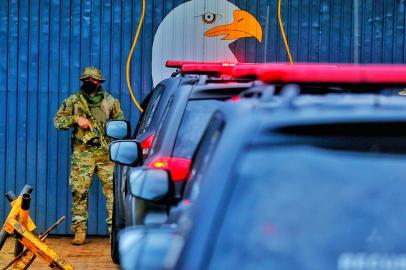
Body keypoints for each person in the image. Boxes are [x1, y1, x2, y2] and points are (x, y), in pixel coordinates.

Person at [54, 66, 123, 245]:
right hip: (82, 154)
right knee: (79, 192)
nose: (88, 83)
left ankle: (113, 233)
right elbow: (58, 122)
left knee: (112, 194)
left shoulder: (111, 102)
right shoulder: (73, 101)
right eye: (85, 80)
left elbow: (120, 126)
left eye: (92, 80)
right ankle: (80, 230)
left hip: (105, 153)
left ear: (99, 82)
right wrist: (76, 119)